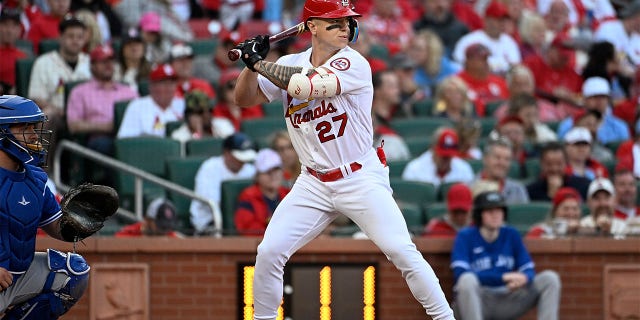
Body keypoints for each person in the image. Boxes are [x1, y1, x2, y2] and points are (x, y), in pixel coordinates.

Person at [231, 0, 455, 318]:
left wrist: (259, 63)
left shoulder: (354, 63)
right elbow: (243, 98)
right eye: (335, 22)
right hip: (313, 181)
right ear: (312, 27)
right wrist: (249, 65)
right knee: (269, 251)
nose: (345, 28)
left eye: (348, 22)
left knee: (401, 250)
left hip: (359, 176)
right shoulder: (292, 61)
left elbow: (307, 86)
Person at [0, 95, 94, 318]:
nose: (33, 134)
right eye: (24, 127)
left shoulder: (35, 178)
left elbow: (58, 227)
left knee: (73, 272)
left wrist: (84, 219)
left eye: (34, 126)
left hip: (17, 276)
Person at [451, 190, 562, 320]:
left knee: (549, 279)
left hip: (507, 296)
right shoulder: (466, 236)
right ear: (479, 214)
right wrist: (503, 277)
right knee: (467, 280)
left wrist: (525, 278)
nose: (495, 215)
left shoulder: (511, 234)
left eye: (499, 211)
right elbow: (460, 274)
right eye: (490, 211)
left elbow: (528, 268)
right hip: (480, 299)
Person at [66, 44, 139, 154]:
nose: (108, 65)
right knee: (108, 146)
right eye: (103, 61)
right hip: (98, 140)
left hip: (129, 138)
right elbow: (74, 125)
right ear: (92, 66)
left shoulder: (129, 91)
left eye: (111, 61)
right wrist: (108, 127)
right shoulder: (80, 92)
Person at [190, 132, 257, 235]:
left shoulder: (250, 170)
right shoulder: (210, 167)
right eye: (239, 157)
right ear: (226, 153)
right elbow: (212, 203)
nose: (242, 162)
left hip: (238, 220)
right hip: (208, 222)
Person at [452, 1, 522, 74]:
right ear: (487, 20)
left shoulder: (510, 42)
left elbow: (516, 68)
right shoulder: (470, 40)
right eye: (498, 20)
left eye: (504, 20)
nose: (502, 23)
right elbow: (458, 65)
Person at [117, 63, 185, 138]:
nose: (169, 88)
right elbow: (125, 141)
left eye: (172, 83)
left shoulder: (182, 105)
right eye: (164, 83)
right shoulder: (137, 107)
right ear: (152, 86)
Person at [557, 77, 630, 144]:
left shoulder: (619, 126)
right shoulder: (569, 124)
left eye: (603, 97)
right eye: (594, 97)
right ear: (585, 100)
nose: (599, 101)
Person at [234, 148, 290, 236]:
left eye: (276, 170)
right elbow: (247, 229)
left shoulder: (288, 194)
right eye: (267, 172)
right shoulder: (248, 197)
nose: (273, 176)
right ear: (257, 176)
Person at [402, 127, 474, 187]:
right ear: (433, 148)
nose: (446, 159)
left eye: (449, 156)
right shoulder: (414, 169)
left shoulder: (464, 169)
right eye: (443, 155)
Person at [455, 43, 509, 117]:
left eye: (486, 59)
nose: (486, 63)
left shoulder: (499, 82)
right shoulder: (457, 83)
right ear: (469, 61)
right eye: (482, 59)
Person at [471, 137, 529, 204]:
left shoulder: (517, 190)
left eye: (507, 159)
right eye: (497, 157)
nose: (502, 163)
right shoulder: (470, 187)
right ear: (485, 159)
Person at [115, 198, 184, 237]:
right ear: (147, 219)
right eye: (161, 226)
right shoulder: (128, 234)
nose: (164, 231)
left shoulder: (171, 236)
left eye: (167, 227)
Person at [0, 7, 29, 95]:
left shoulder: (24, 57)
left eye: (14, 26)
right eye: (5, 25)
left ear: (19, 30)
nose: (9, 30)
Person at [612, 168, 640, 234]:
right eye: (622, 184)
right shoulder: (610, 214)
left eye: (631, 184)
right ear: (614, 188)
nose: (627, 189)